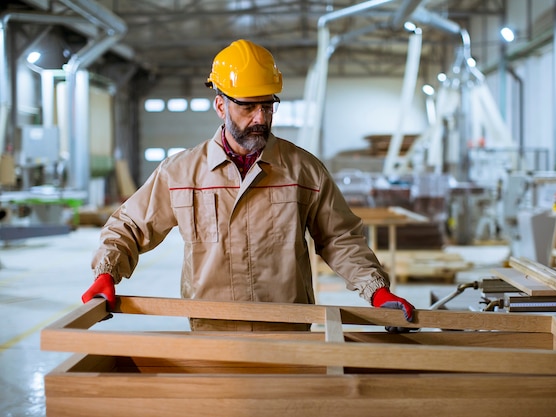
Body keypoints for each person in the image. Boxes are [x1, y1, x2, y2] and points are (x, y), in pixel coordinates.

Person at [81, 39, 415, 331]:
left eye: (267, 105)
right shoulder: (181, 173)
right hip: (212, 327)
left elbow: (340, 237)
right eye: (248, 106)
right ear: (221, 105)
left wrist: (376, 289)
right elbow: (129, 225)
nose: (260, 118)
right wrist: (106, 273)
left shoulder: (303, 171)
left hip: (287, 328)